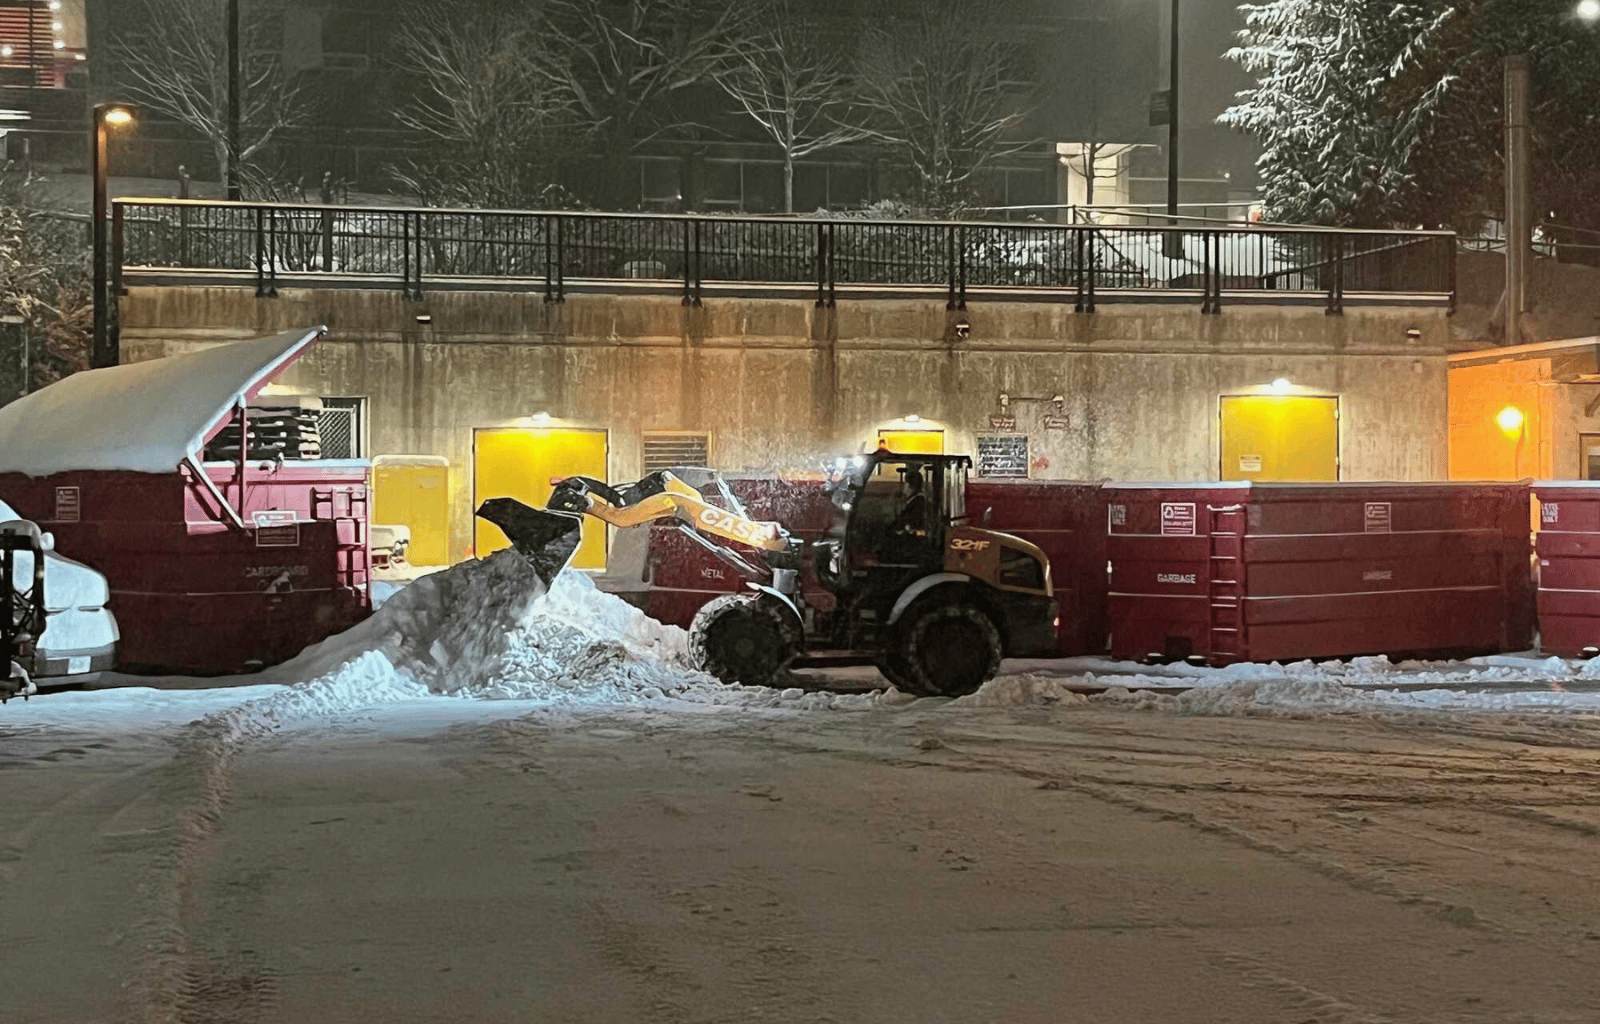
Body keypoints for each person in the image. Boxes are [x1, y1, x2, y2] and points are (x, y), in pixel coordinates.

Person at [891, 469, 929, 539]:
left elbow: (911, 524)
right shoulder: (915, 501)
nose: (903, 487)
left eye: (905, 483)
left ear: (909, 485)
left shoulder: (917, 503)